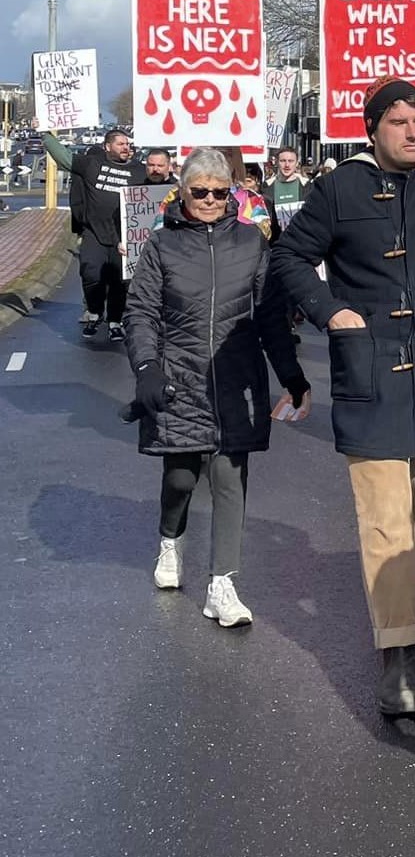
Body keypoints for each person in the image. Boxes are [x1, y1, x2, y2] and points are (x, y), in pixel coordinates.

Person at [269, 75, 415, 721]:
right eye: (397, 120)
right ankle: (399, 656)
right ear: (371, 128)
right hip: (371, 373)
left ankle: (398, 588)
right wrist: (329, 310)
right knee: (383, 515)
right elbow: (290, 258)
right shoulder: (338, 188)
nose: (411, 129)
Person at [125, 148, 312, 626]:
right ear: (182, 192)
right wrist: (147, 368)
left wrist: (291, 376)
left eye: (219, 191)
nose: (210, 199)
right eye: (200, 191)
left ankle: (222, 585)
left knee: (230, 478)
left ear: (232, 192)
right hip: (179, 378)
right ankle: (171, 540)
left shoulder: (252, 243)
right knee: (182, 476)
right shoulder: (161, 246)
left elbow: (271, 317)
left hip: (236, 379)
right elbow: (141, 312)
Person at [44, 127, 148, 341]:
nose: (126, 148)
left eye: (128, 144)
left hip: (125, 237)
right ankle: (95, 311)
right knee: (91, 272)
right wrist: (45, 133)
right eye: (120, 144)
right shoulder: (92, 164)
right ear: (107, 146)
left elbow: (161, 185)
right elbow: (64, 158)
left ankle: (115, 321)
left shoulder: (140, 170)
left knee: (121, 281)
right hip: (94, 232)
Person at [261, 146, 309, 236]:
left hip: (301, 241)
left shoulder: (307, 186)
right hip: (276, 243)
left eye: (291, 161)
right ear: (277, 163)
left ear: (297, 163)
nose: (287, 165)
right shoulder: (266, 187)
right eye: (283, 161)